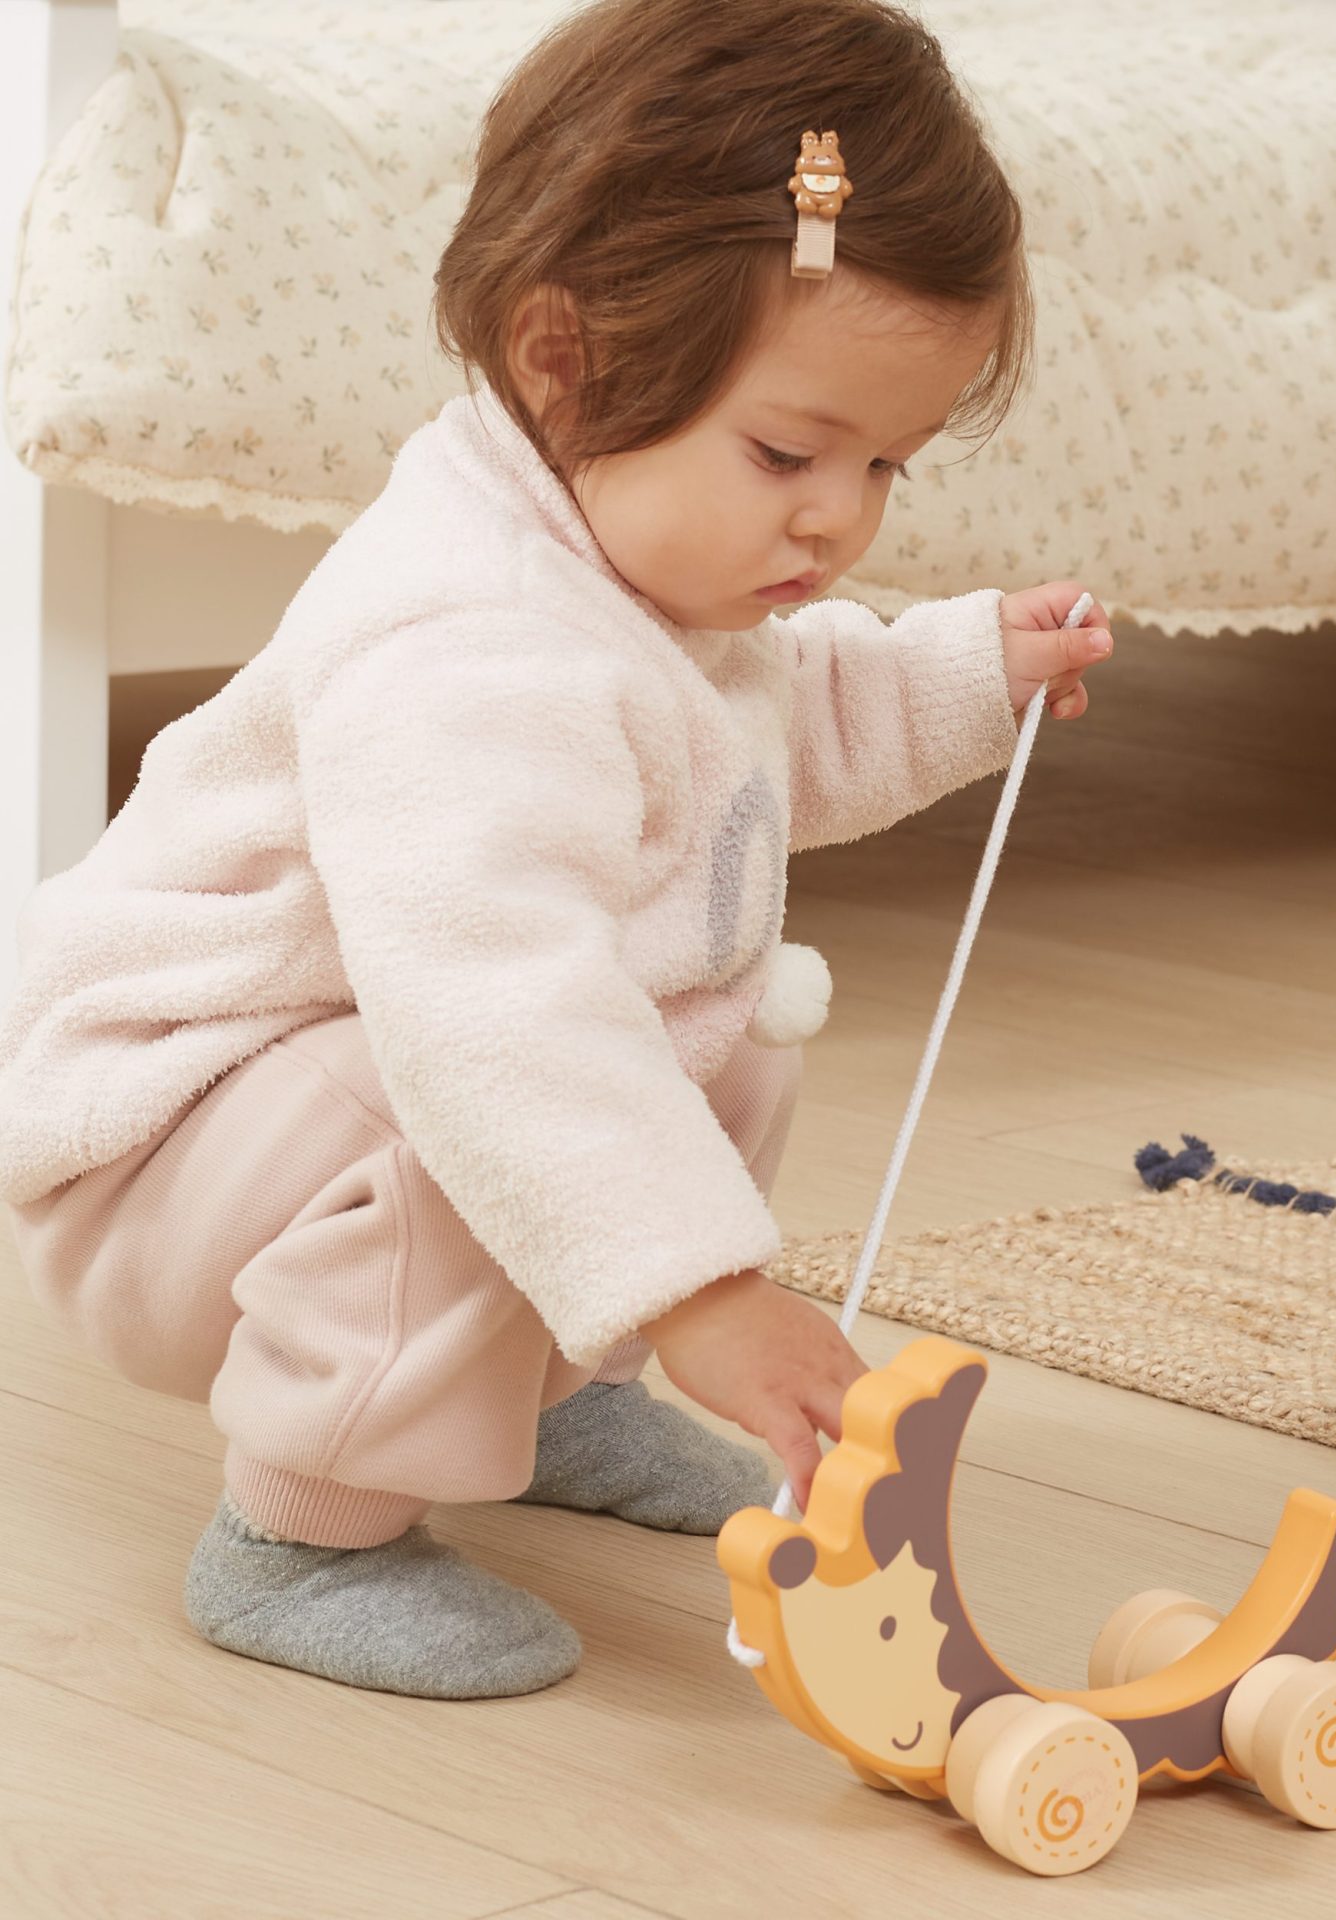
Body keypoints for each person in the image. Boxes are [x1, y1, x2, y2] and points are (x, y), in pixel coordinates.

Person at [0, 0, 1113, 1699]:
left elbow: (768, 741)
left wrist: (973, 672)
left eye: (885, 461)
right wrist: (706, 1297)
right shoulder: (467, 645)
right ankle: (299, 1534)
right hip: (161, 1159)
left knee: (718, 1044)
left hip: (316, 1104)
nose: (840, 515)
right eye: (787, 451)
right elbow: (490, 1018)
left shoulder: (649, 568)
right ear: (562, 359)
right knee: (508, 1099)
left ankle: (548, 1395)